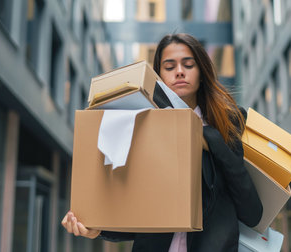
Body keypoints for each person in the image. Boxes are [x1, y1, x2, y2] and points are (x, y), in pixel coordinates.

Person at [61, 33, 263, 251]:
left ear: (201, 72)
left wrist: (209, 139)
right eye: (169, 66)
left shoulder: (227, 121)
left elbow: (252, 213)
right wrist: (99, 229)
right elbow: (140, 209)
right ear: (158, 76)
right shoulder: (142, 121)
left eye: (188, 64)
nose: (179, 71)